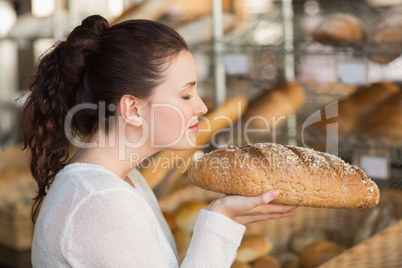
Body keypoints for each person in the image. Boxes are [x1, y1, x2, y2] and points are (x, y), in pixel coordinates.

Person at [21, 15, 296, 267]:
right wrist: (220, 219)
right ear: (132, 109)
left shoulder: (121, 180)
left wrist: (226, 218)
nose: (201, 106)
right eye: (186, 95)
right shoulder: (102, 200)